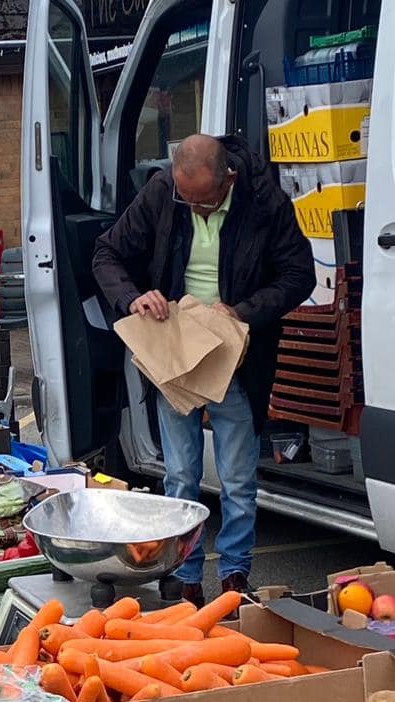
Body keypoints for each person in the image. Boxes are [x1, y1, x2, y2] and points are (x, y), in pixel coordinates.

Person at [92, 134, 315, 607]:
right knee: (180, 477)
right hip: (174, 351)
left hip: (235, 355)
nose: (191, 208)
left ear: (227, 179)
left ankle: (234, 575)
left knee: (238, 478)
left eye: (202, 202)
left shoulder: (265, 201)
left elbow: (299, 275)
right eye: (185, 198)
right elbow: (106, 254)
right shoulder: (162, 192)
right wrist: (133, 297)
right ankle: (185, 579)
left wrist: (244, 311)